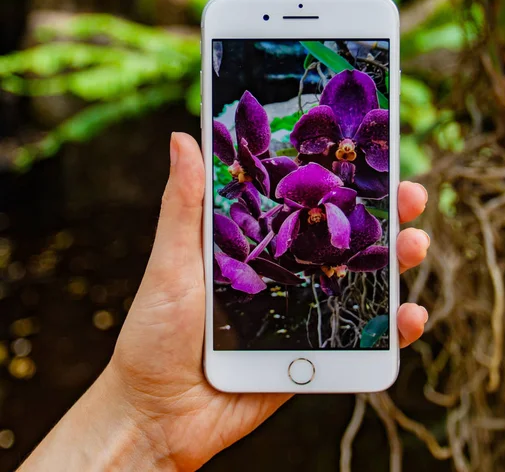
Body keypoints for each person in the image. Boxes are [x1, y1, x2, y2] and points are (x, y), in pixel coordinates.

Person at [18, 133, 431, 472]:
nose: (343, 154)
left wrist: (139, 421)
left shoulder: (328, 213)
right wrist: (139, 414)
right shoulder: (275, 207)